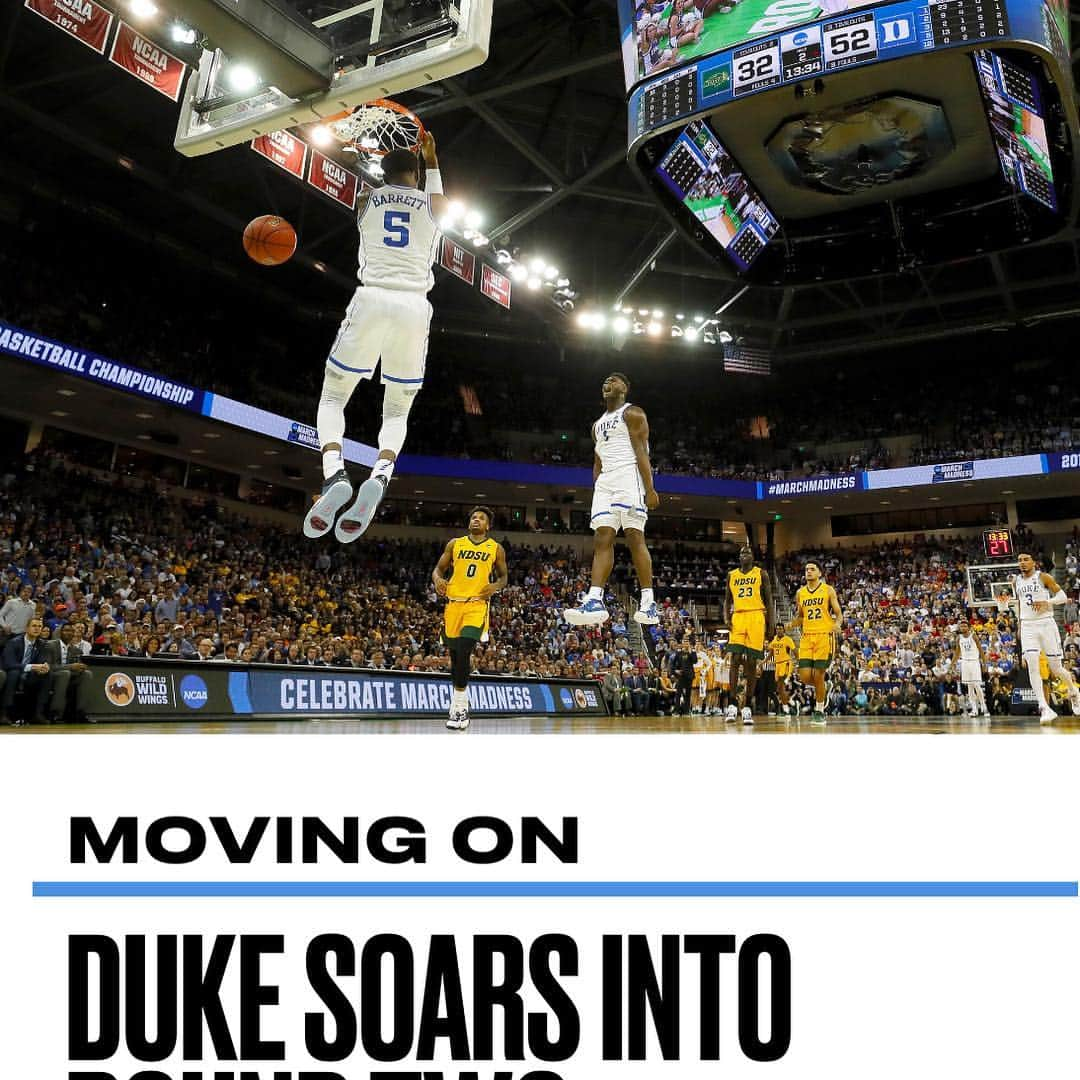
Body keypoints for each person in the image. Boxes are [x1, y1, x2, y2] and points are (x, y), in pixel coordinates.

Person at [305, 131, 450, 543]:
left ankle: (335, 472)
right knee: (397, 411)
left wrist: (355, 151)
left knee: (333, 397)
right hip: (414, 307)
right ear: (417, 173)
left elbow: (375, 188)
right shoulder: (435, 204)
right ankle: (381, 474)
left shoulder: (366, 201)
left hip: (371, 297)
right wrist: (432, 158)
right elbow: (433, 195)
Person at [564, 373, 660, 626]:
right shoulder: (597, 424)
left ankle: (649, 601)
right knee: (602, 537)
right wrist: (599, 487)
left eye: (614, 381)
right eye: (605, 381)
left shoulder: (633, 413)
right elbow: (597, 460)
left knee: (633, 536)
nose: (608, 383)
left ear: (625, 389)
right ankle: (595, 598)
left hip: (629, 476)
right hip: (606, 482)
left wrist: (649, 489)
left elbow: (641, 453)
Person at [432, 506, 508, 731]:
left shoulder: (496, 548)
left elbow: (504, 577)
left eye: (481, 518)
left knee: (465, 648)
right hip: (453, 604)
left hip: (477, 605)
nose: (476, 520)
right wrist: (437, 580)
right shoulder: (455, 544)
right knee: (455, 656)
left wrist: (494, 586)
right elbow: (438, 569)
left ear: (488, 526)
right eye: (473, 517)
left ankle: (458, 707)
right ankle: (461, 700)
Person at [1000, 551, 1080, 723]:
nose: (1022, 563)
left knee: (1056, 668)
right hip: (1028, 625)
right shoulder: (1016, 582)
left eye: (1026, 559)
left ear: (1033, 562)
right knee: (1032, 666)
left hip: (1046, 623)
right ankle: (1044, 708)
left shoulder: (1043, 577)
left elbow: (1063, 597)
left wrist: (1047, 602)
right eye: (1020, 560)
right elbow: (1020, 604)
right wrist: (1020, 627)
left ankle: (1073, 691)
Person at [722, 545, 774, 724]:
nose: (744, 555)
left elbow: (769, 600)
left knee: (752, 662)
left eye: (748, 552)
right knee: (735, 659)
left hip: (757, 617)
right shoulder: (732, 575)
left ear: (753, 556)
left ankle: (747, 707)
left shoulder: (762, 574)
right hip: (739, 616)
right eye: (741, 553)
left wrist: (771, 624)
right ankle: (732, 703)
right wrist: (726, 617)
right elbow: (727, 600)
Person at [788, 561, 843, 724]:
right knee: (804, 676)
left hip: (824, 636)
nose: (809, 572)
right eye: (806, 569)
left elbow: (839, 613)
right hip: (807, 637)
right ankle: (825, 686)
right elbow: (801, 617)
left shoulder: (828, 590)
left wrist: (837, 624)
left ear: (820, 573)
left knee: (818, 674)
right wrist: (790, 624)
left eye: (812, 569)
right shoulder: (800, 593)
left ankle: (819, 710)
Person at [1, 616, 52, 725]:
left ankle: (38, 714)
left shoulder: (42, 643)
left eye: (39, 626)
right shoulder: (13, 642)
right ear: (26, 628)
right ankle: (4, 713)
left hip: (30, 675)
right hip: (12, 671)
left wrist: (45, 666)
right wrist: (32, 667)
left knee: (47, 675)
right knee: (14, 673)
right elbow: (9, 664)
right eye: (34, 626)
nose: (37, 629)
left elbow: (44, 660)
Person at [952, 619, 989, 718]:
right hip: (965, 662)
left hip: (974, 662)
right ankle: (974, 709)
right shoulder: (958, 638)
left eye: (965, 626)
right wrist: (952, 664)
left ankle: (984, 707)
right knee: (969, 687)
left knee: (977, 685)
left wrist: (985, 664)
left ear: (968, 627)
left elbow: (981, 650)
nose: (963, 628)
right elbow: (957, 652)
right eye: (961, 626)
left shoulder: (973, 636)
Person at [767, 626, 797, 717]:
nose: (778, 630)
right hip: (778, 665)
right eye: (777, 629)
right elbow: (771, 652)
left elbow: (795, 652)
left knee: (781, 686)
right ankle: (791, 702)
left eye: (780, 628)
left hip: (786, 664)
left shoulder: (788, 640)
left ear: (784, 630)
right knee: (779, 689)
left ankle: (786, 710)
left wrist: (798, 662)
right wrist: (763, 662)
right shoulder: (774, 640)